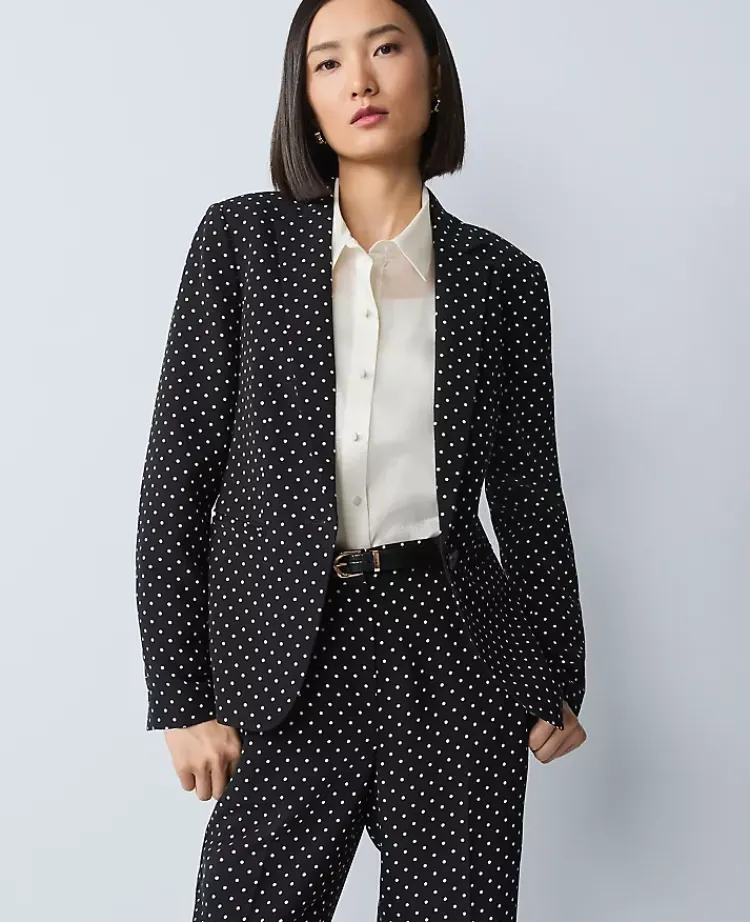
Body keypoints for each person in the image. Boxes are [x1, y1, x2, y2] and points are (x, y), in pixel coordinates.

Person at [135, 0, 588, 918]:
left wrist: (555, 674)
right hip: (284, 658)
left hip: (455, 657)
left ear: (433, 72)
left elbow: (530, 494)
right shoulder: (241, 246)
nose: (362, 81)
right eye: (328, 62)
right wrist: (180, 698)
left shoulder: (504, 280)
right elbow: (176, 484)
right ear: (304, 97)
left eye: (386, 48)